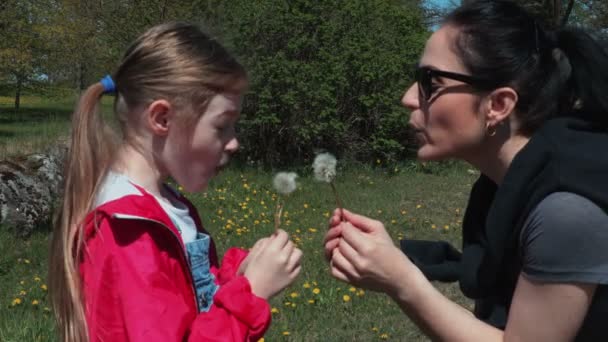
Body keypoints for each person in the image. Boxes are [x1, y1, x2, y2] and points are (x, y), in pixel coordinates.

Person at [324, 1, 608, 341]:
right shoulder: (500, 190)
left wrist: (403, 282)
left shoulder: (564, 211)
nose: (408, 98)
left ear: (498, 105)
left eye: (430, 81)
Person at [49, 22, 302, 342]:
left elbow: (194, 307)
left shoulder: (163, 207)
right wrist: (250, 295)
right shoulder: (130, 233)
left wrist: (240, 275)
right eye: (222, 125)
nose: (234, 142)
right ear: (162, 120)